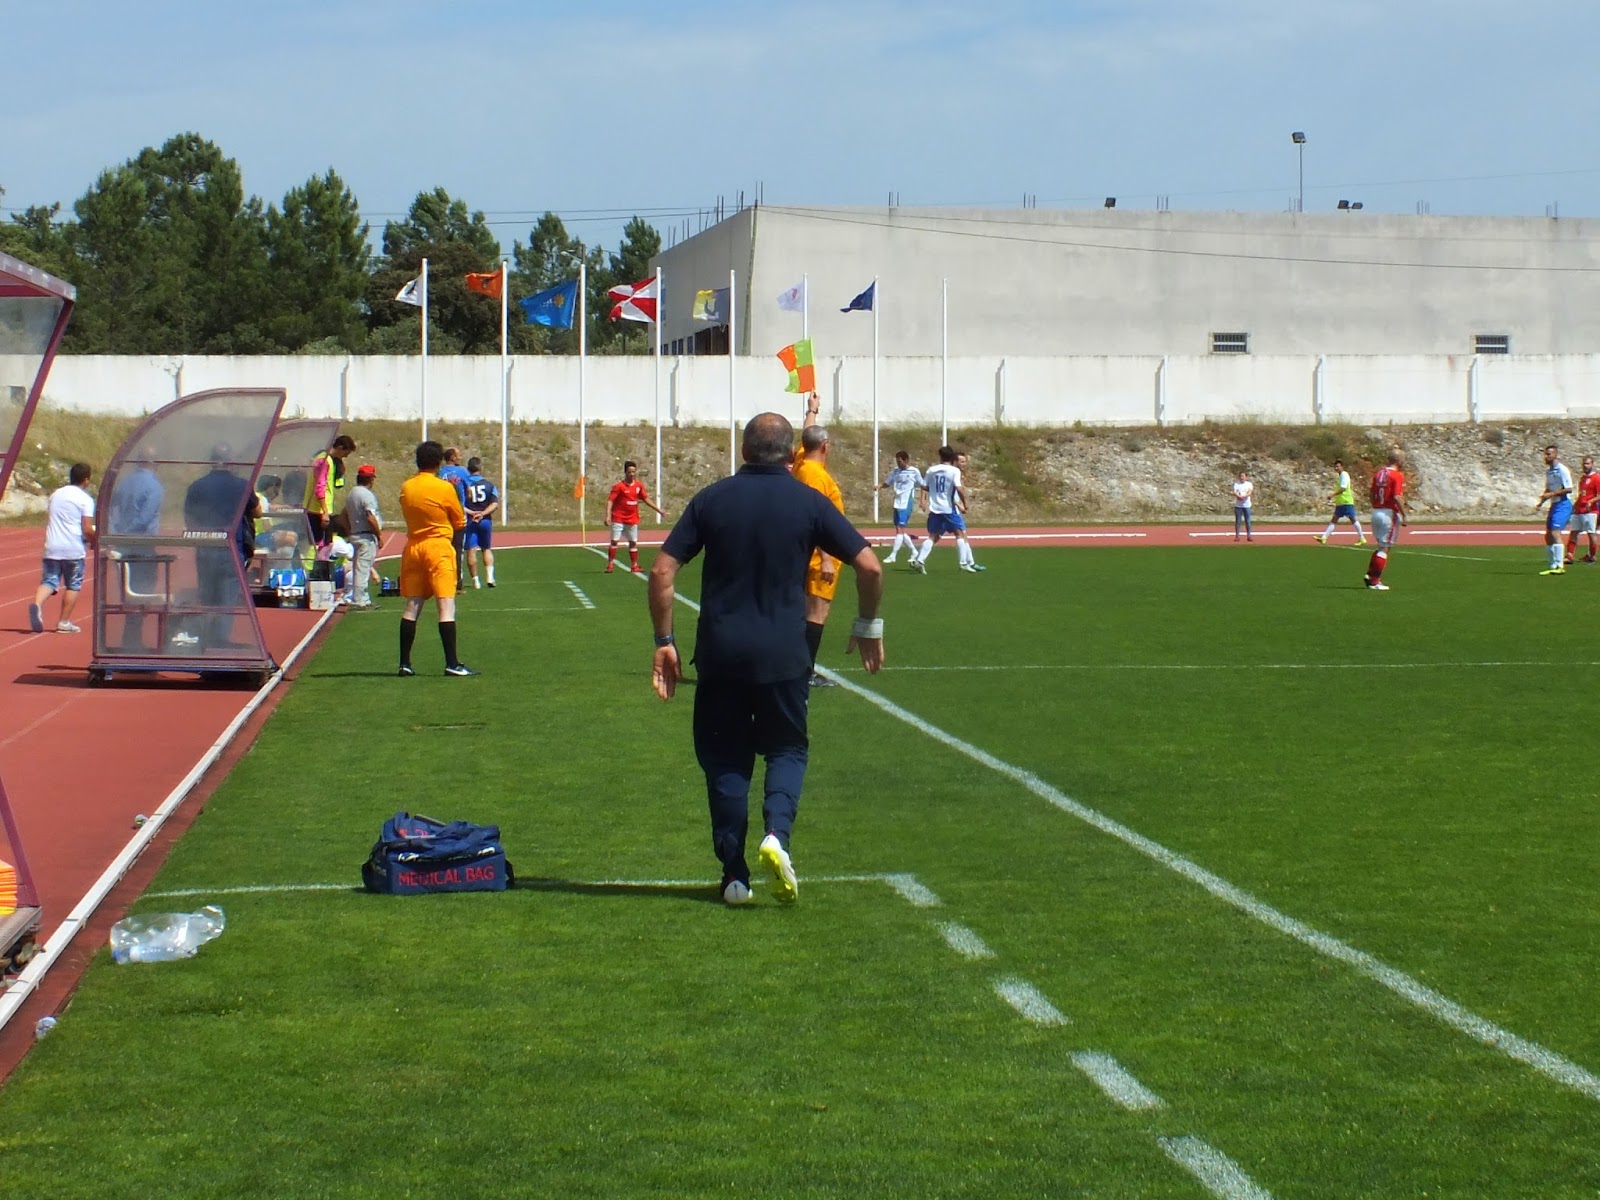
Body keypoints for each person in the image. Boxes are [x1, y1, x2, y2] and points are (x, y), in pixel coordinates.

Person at [649, 412, 884, 907]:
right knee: (786, 749)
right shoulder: (809, 501)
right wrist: (867, 625)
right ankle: (776, 835)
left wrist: (664, 640)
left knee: (725, 758)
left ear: (744, 450)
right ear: (791, 453)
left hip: (721, 653)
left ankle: (734, 873)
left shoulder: (712, 498)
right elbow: (869, 566)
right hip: (784, 653)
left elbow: (662, 570)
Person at [398, 440, 475, 677]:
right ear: (438, 462)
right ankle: (452, 662)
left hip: (413, 547)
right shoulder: (444, 488)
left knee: (412, 606)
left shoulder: (407, 487)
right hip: (438, 547)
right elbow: (459, 521)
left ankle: (404, 663)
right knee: (446, 605)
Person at [182, 446, 260, 649]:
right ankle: (219, 641)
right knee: (227, 596)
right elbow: (257, 512)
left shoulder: (197, 486)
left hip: (206, 547)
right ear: (231, 462)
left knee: (208, 594)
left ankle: (205, 636)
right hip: (231, 548)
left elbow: (189, 517)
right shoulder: (241, 485)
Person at [791, 398, 846, 683]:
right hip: (818, 556)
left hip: (809, 552)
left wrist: (811, 410)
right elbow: (816, 519)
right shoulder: (815, 477)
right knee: (816, 613)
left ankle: (798, 666)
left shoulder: (802, 463)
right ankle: (805, 671)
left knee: (805, 611)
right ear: (825, 446)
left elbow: (806, 434)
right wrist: (825, 558)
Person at [29, 463, 96, 634]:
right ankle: (63, 622)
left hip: (52, 546)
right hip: (72, 548)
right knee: (73, 585)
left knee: (49, 581)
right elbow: (87, 528)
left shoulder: (55, 495)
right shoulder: (85, 499)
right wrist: (95, 541)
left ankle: (37, 603)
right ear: (86, 480)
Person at [910, 446, 980, 573]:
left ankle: (920, 560)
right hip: (948, 508)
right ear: (952, 457)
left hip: (935, 508)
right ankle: (963, 563)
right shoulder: (954, 470)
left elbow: (924, 486)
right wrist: (964, 503)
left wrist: (923, 500)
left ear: (940, 456)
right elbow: (959, 488)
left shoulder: (931, 470)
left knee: (933, 536)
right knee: (960, 534)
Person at [605, 460, 666, 575]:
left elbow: (646, 499)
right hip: (618, 518)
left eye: (633, 472)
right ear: (625, 472)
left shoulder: (638, 486)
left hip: (632, 519)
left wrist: (659, 510)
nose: (632, 474)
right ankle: (610, 564)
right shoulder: (619, 487)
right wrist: (608, 515)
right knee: (614, 541)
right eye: (629, 472)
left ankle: (634, 565)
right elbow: (610, 500)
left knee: (633, 542)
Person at [1364, 449, 1407, 591]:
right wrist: (1404, 514)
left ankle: (1370, 575)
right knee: (1384, 548)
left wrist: (1375, 505)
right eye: (1403, 459)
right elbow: (1396, 496)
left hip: (1377, 511)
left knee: (1380, 546)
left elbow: (1371, 493)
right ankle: (1375, 581)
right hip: (1388, 513)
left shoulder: (1379, 474)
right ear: (1398, 461)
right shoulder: (1397, 475)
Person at [303, 434, 356, 545]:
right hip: (317, 510)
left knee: (326, 544)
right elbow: (320, 487)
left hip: (320, 509)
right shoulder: (324, 461)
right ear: (340, 448)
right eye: (345, 453)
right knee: (319, 544)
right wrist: (325, 512)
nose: (345, 457)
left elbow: (334, 484)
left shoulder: (329, 460)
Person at [344, 463, 383, 608]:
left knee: (358, 568)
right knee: (363, 569)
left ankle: (359, 598)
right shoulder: (366, 495)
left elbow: (343, 515)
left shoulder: (352, 494)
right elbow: (370, 517)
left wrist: (350, 529)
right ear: (371, 479)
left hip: (356, 533)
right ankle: (361, 600)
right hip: (365, 535)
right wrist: (379, 535)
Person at [879, 450, 925, 564]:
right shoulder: (896, 471)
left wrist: (922, 500)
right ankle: (914, 551)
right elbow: (888, 483)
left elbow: (923, 485)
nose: (898, 464)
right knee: (900, 530)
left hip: (906, 502)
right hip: (897, 502)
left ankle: (893, 555)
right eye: (897, 461)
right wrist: (879, 486)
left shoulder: (914, 471)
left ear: (906, 460)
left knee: (900, 530)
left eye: (900, 461)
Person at [1536, 443, 1574, 576]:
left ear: (1555, 455)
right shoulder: (1549, 472)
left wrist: (1551, 494)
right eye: (1545, 454)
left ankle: (1559, 565)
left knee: (1555, 532)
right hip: (1555, 504)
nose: (1546, 457)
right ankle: (1552, 565)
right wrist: (1541, 502)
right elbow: (1548, 489)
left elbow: (1569, 489)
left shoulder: (1562, 470)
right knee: (1548, 535)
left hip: (1564, 504)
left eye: (1549, 454)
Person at [462, 457, 500, 588]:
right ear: (480, 468)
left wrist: (472, 513)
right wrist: (482, 513)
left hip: (470, 520)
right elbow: (494, 503)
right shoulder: (489, 485)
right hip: (485, 520)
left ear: (468, 469)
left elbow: (459, 504)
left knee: (471, 550)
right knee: (486, 548)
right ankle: (490, 576)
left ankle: (475, 581)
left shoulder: (465, 484)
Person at [1315, 459, 1367, 546]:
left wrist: (1332, 495)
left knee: (1353, 519)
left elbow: (1343, 488)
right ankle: (1324, 537)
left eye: (1338, 466)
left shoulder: (1344, 475)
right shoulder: (1340, 476)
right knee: (1334, 519)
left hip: (1346, 502)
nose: (1336, 468)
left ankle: (1362, 538)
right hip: (1341, 503)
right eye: (1335, 467)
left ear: (1342, 467)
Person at [440, 448, 472, 582]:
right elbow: (469, 491)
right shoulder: (462, 472)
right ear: (453, 457)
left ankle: (443, 577)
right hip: (458, 513)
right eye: (458, 455)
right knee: (458, 548)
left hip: (442, 514)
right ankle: (457, 581)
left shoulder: (440, 472)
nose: (460, 457)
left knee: (443, 546)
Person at [953, 452, 986, 571]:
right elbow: (948, 494)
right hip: (951, 509)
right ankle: (967, 563)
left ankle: (970, 562)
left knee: (962, 534)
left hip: (953, 509)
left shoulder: (958, 474)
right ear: (955, 462)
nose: (964, 464)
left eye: (965, 461)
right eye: (961, 461)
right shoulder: (953, 474)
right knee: (961, 535)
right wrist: (959, 505)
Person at [1566, 455, 1600, 565]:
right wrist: (1575, 505)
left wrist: (1591, 501)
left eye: (1587, 464)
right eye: (1584, 464)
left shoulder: (1596, 478)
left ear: (1592, 464)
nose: (1585, 466)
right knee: (1574, 531)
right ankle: (1569, 555)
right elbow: (1581, 494)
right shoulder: (1582, 478)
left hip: (1591, 511)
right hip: (1579, 509)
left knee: (1591, 533)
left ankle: (1592, 556)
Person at [1232, 470, 1254, 542]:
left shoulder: (1249, 484)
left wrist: (1244, 496)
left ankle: (1249, 536)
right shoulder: (1236, 484)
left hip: (1247, 505)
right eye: (1240, 476)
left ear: (1246, 477)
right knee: (1238, 521)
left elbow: (1250, 492)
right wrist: (1238, 496)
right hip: (1238, 506)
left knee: (1248, 521)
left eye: (1243, 476)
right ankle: (1237, 536)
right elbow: (1235, 492)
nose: (1242, 477)